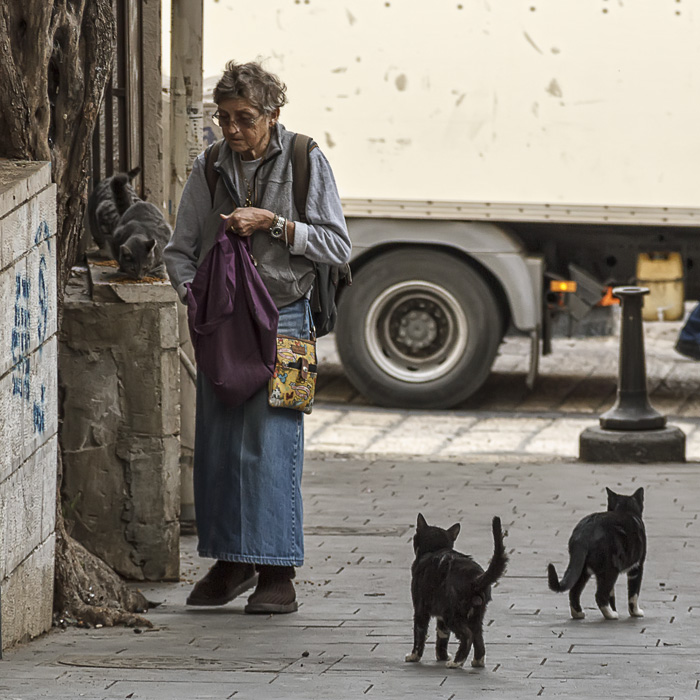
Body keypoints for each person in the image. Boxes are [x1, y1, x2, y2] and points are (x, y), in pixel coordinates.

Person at [164, 61, 351, 614]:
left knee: (271, 448)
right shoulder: (211, 167)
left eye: (245, 118)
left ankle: (277, 570)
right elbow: (180, 250)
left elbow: (338, 246)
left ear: (273, 114)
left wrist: (275, 223)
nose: (234, 130)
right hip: (226, 328)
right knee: (220, 449)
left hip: (290, 322)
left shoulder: (304, 159)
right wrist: (195, 300)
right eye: (224, 119)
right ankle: (232, 561)